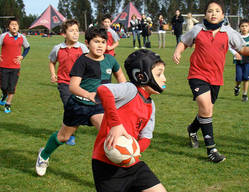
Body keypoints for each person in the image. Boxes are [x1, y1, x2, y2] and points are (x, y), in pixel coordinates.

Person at [35, 26, 126, 176]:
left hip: (98, 107)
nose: (100, 45)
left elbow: (122, 80)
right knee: (63, 137)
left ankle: (116, 170)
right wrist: (88, 94)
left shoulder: (110, 60)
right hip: (78, 105)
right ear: (87, 43)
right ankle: (44, 155)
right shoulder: (82, 61)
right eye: (96, 42)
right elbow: (73, 87)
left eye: (103, 42)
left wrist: (124, 93)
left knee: (108, 135)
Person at [172, 0, 249, 163]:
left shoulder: (229, 32)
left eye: (217, 11)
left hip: (216, 78)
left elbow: (243, 49)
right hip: (197, 74)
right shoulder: (197, 29)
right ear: (205, 14)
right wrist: (178, 51)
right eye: (210, 11)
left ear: (223, 15)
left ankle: (192, 129)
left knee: (207, 110)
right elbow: (184, 41)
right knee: (205, 108)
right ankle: (211, 149)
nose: (214, 13)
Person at [92, 49, 167, 192]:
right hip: (106, 165)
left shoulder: (151, 105)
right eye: (159, 74)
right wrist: (116, 124)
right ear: (142, 75)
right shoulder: (130, 89)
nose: (164, 79)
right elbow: (103, 90)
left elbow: (146, 137)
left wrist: (133, 151)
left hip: (133, 164)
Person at [48, 19, 89, 145]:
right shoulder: (57, 48)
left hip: (79, 84)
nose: (75, 33)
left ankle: (69, 131)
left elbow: (89, 63)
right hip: (64, 83)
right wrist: (53, 74)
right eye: (72, 31)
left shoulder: (82, 48)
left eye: (77, 30)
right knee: (68, 107)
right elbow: (52, 61)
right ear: (64, 34)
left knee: (77, 108)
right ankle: (68, 134)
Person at [0, 18, 30, 113]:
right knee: (4, 86)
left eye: (16, 24)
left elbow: (27, 47)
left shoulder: (22, 37)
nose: (14, 26)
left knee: (12, 87)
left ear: (18, 27)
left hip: (15, 67)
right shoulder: (3, 36)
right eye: (12, 24)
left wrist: (22, 56)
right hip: (3, 66)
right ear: (8, 26)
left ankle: (8, 105)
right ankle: (4, 95)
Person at [229, 19, 249, 102]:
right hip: (238, 61)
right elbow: (230, 46)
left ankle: (245, 94)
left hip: (247, 61)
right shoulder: (237, 37)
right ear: (239, 27)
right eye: (242, 26)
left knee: (246, 78)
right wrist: (235, 54)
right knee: (239, 78)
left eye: (246, 26)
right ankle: (237, 86)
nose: (244, 28)